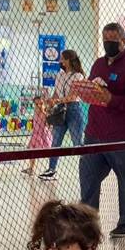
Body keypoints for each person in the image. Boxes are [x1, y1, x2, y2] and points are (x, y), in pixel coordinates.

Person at [79, 23, 125, 238]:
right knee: (88, 176)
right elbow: (94, 87)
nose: (108, 43)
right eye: (105, 39)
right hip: (95, 132)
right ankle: (88, 222)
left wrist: (113, 99)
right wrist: (87, 92)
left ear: (123, 41)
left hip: (123, 134)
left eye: (113, 40)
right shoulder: (99, 64)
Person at [39, 50, 86, 181]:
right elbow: (56, 93)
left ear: (69, 60)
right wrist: (50, 102)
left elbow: (73, 96)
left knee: (78, 142)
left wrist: (58, 100)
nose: (60, 61)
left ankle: (88, 168)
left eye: (62, 59)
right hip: (60, 110)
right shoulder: (59, 75)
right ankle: (51, 170)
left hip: (73, 110)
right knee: (56, 141)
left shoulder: (78, 76)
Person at [22, 93, 52, 176]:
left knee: (47, 151)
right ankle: (31, 168)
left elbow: (48, 124)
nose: (38, 105)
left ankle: (52, 168)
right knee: (32, 150)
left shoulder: (44, 113)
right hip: (35, 134)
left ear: (43, 103)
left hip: (42, 134)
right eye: (36, 104)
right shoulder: (35, 112)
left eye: (40, 103)